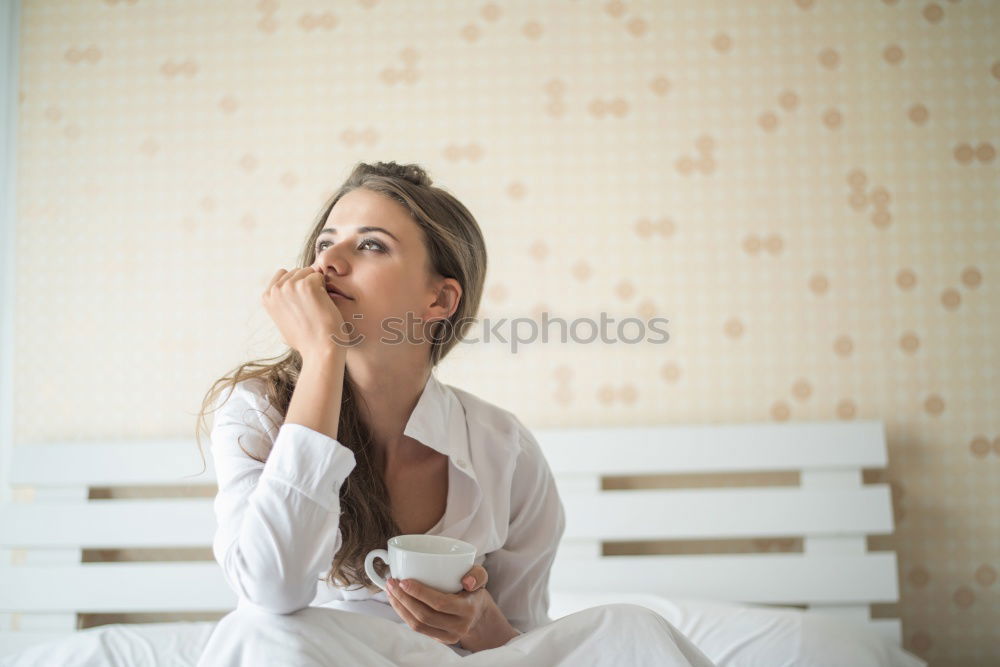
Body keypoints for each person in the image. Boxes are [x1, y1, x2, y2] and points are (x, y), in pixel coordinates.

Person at [193, 161, 716, 666]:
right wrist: (323, 358)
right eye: (325, 242)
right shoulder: (258, 412)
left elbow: (525, 645)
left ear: (439, 299)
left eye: (370, 244)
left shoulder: (502, 447)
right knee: (258, 630)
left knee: (630, 629)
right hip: (327, 657)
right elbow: (270, 588)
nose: (329, 261)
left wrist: (478, 622)